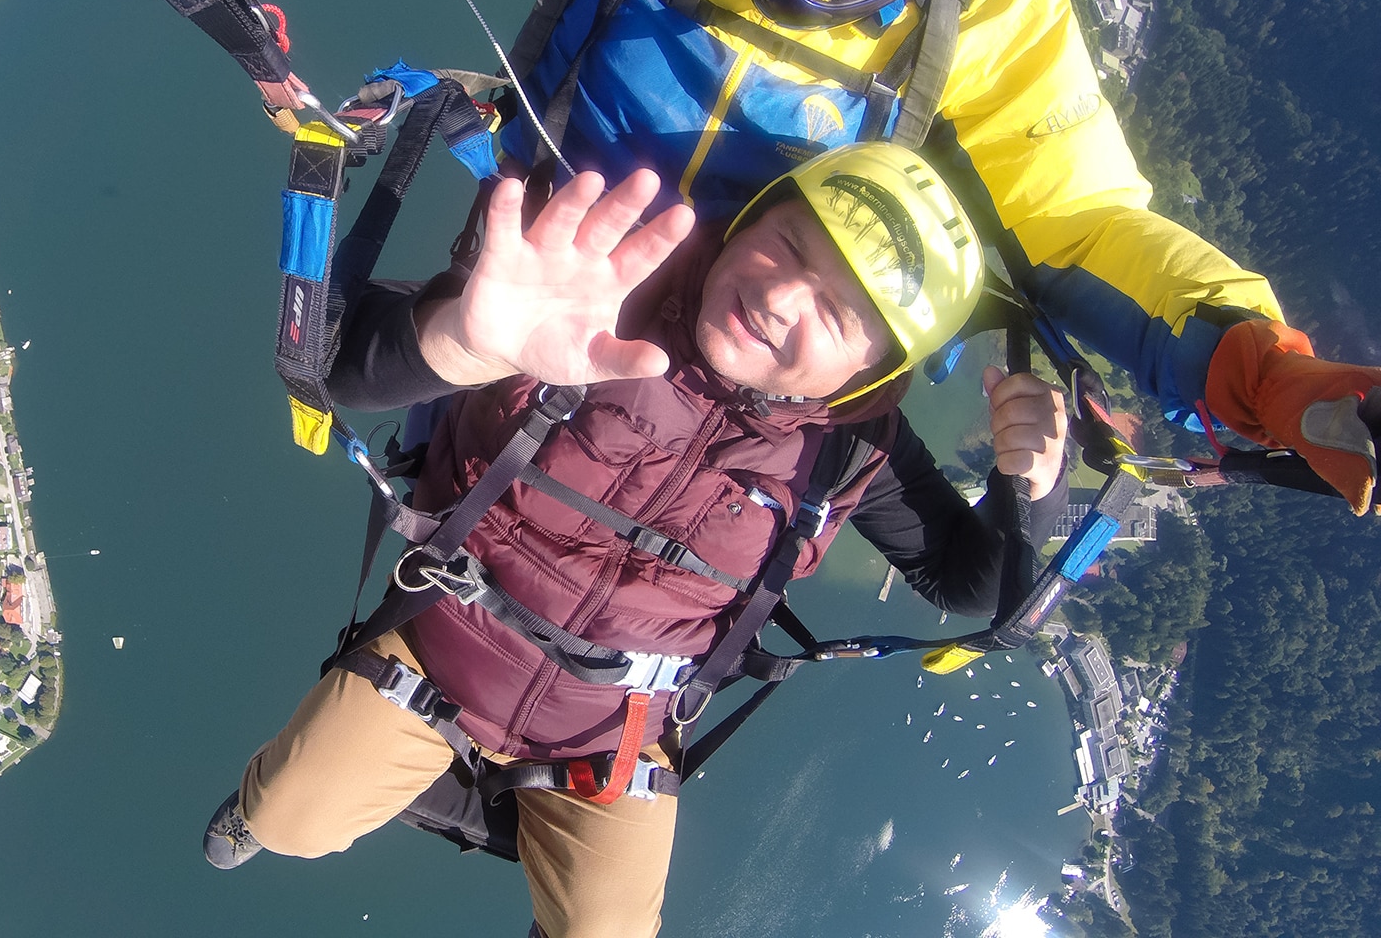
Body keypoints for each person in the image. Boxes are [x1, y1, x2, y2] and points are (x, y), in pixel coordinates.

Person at [202, 142, 1071, 937]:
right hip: (444, 656)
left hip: (608, 731)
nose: (780, 300)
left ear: (870, 374)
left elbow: (972, 588)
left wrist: (1029, 491)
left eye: (840, 317)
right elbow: (338, 359)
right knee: (289, 818)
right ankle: (260, 810)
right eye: (790, 247)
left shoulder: (845, 448)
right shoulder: (601, 286)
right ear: (747, 220)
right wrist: (463, 341)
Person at [406, 0, 1381, 514]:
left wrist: (1263, 377)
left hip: (733, 395)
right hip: (528, 299)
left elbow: (1080, 224)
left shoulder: (990, 17)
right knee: (435, 497)